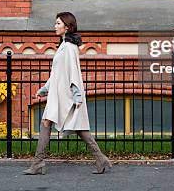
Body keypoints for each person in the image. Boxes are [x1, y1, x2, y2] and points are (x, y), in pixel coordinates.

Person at [23, 11, 112, 175]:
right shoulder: (64, 46)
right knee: (57, 124)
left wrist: (77, 96)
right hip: (58, 95)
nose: (54, 26)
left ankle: (38, 163)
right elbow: (57, 74)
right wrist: (44, 89)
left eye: (58, 23)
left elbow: (73, 72)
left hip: (65, 96)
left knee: (73, 126)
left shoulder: (69, 48)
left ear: (67, 26)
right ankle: (99, 158)